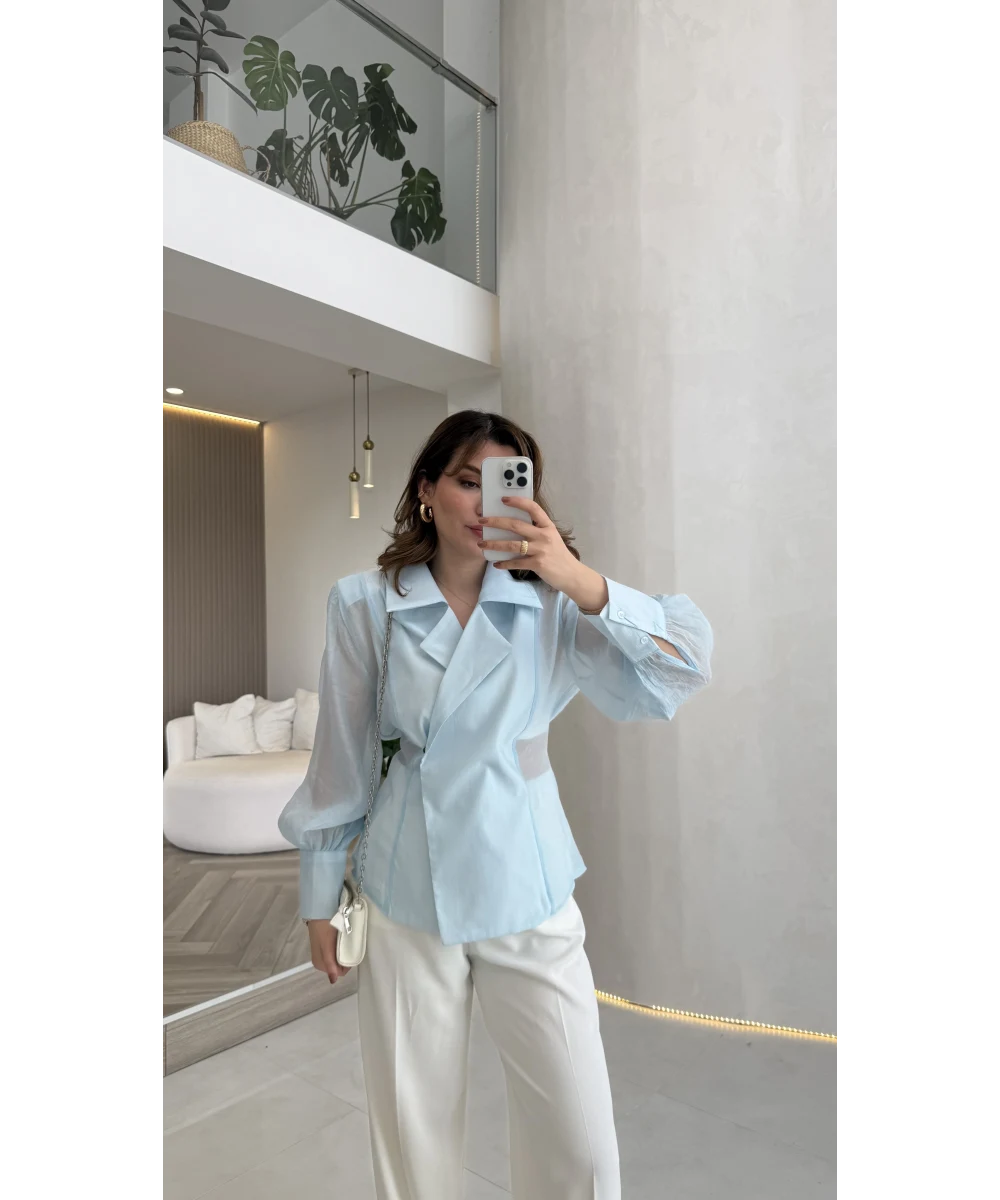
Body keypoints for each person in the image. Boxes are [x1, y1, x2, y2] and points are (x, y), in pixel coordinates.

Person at [277, 410, 713, 1200]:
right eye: (465, 482)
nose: (484, 505)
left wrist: (578, 579)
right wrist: (318, 896)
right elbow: (340, 755)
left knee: (580, 1144)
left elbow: (682, 669)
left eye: (504, 486)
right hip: (408, 886)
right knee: (412, 1131)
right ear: (426, 491)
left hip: (527, 880)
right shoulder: (364, 603)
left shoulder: (554, 602)